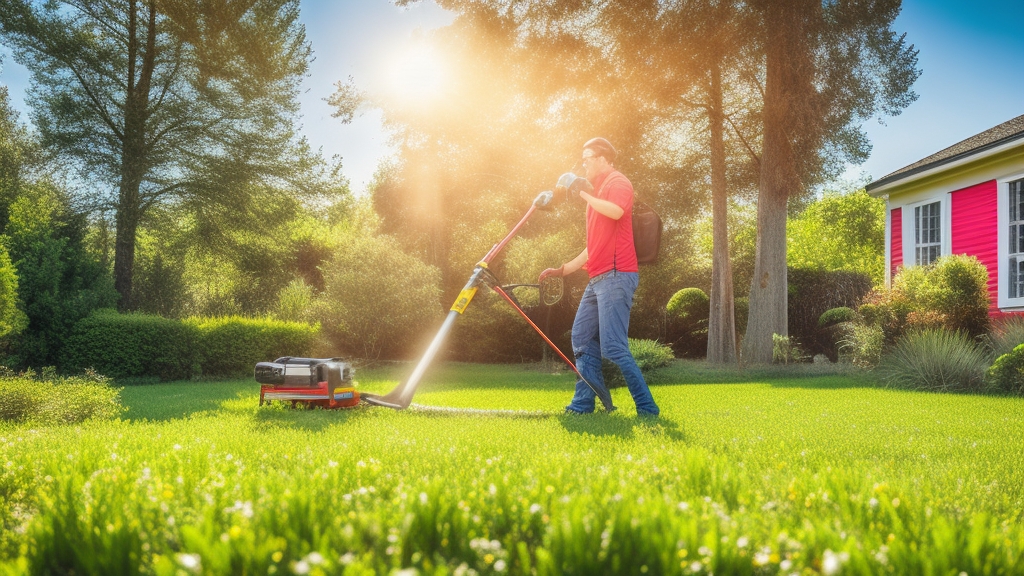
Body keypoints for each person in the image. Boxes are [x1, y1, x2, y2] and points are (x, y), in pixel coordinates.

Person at [540, 137, 660, 417]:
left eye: (588, 157)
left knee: (614, 347)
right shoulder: (598, 192)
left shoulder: (618, 182)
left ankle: (647, 408)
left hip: (617, 276)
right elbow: (593, 244)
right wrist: (564, 269)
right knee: (581, 338)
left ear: (604, 159)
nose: (583, 163)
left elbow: (617, 211)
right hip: (598, 278)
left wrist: (582, 192)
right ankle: (583, 404)